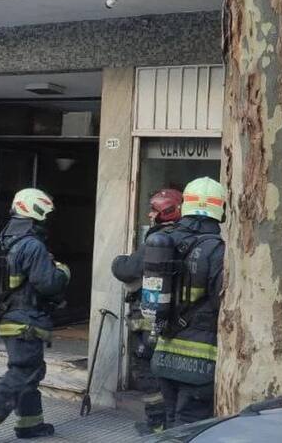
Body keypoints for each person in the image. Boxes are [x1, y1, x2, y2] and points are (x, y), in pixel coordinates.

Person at [114, 177, 225, 429]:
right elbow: (223, 305)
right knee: (190, 426)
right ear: (221, 209)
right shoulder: (216, 250)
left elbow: (128, 269)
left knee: (171, 420)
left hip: (163, 353)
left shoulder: (163, 241)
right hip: (200, 361)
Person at [0, 188, 71, 442]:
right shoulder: (32, 244)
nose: (47, 219)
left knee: (29, 369)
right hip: (26, 320)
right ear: (36, 211)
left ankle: (30, 425)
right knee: (25, 372)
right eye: (45, 214)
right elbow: (49, 284)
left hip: (9, 317)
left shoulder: (6, 238)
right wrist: (62, 271)